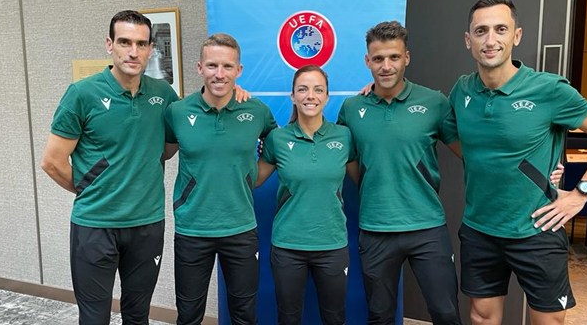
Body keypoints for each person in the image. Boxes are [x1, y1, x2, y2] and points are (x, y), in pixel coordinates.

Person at [445, 0, 587, 325]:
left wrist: (581, 191)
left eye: (501, 29)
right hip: (479, 228)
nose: (491, 40)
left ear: (517, 36)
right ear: (468, 40)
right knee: (482, 317)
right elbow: (452, 135)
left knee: (549, 321)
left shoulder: (549, 90)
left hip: (537, 228)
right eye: (481, 31)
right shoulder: (462, 90)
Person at [41, 10, 179, 324]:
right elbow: (52, 162)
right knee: (94, 317)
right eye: (125, 42)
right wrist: (91, 189)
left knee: (137, 315)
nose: (133, 52)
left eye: (142, 44)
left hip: (147, 224)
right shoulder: (82, 94)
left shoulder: (164, 95)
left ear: (150, 49)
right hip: (95, 226)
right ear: (109, 44)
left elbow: (169, 148)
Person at [338, 21, 462, 325]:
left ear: (406, 57)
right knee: (379, 314)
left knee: (445, 313)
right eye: (378, 59)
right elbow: (351, 163)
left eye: (394, 57)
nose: (386, 66)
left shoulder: (434, 102)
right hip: (376, 228)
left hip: (427, 226)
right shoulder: (352, 108)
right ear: (367, 61)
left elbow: (470, 154)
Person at [164, 33, 277, 325]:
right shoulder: (177, 112)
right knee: (189, 314)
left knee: (243, 314)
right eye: (212, 65)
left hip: (240, 228)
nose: (219, 74)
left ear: (238, 71)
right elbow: (162, 152)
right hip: (192, 228)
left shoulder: (256, 111)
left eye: (227, 67)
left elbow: (277, 147)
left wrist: (250, 178)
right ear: (199, 67)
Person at [256, 65, 355, 325]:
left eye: (317, 89)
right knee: (288, 318)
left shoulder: (344, 136)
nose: (310, 95)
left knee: (335, 318)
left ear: (326, 97)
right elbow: (252, 180)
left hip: (332, 244)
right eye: (303, 89)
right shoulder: (277, 138)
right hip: (288, 245)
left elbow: (365, 181)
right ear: (293, 96)